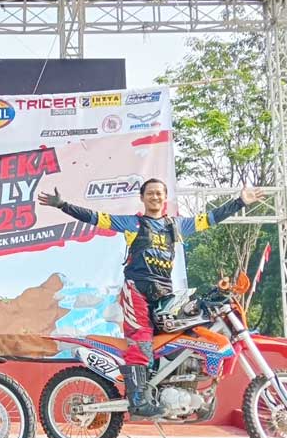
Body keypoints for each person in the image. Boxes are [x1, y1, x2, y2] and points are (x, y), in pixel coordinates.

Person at [38, 178, 264, 417]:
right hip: (136, 289)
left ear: (165, 198)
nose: (155, 197)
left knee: (175, 336)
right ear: (142, 197)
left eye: (159, 193)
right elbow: (96, 218)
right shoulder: (132, 223)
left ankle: (167, 389)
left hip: (165, 293)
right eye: (150, 193)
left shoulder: (176, 226)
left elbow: (210, 218)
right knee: (142, 340)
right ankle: (137, 399)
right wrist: (63, 205)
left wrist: (240, 202)